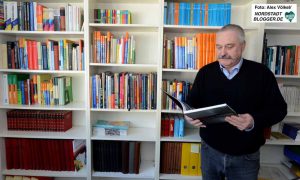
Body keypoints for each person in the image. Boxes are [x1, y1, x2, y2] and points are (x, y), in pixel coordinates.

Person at [185, 24, 287, 180]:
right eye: (219, 47)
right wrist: (189, 114)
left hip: (245, 157)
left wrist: (253, 120)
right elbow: (192, 101)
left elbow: (279, 109)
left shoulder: (262, 73)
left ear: (243, 46)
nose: (223, 53)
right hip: (210, 151)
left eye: (229, 46)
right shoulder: (206, 72)